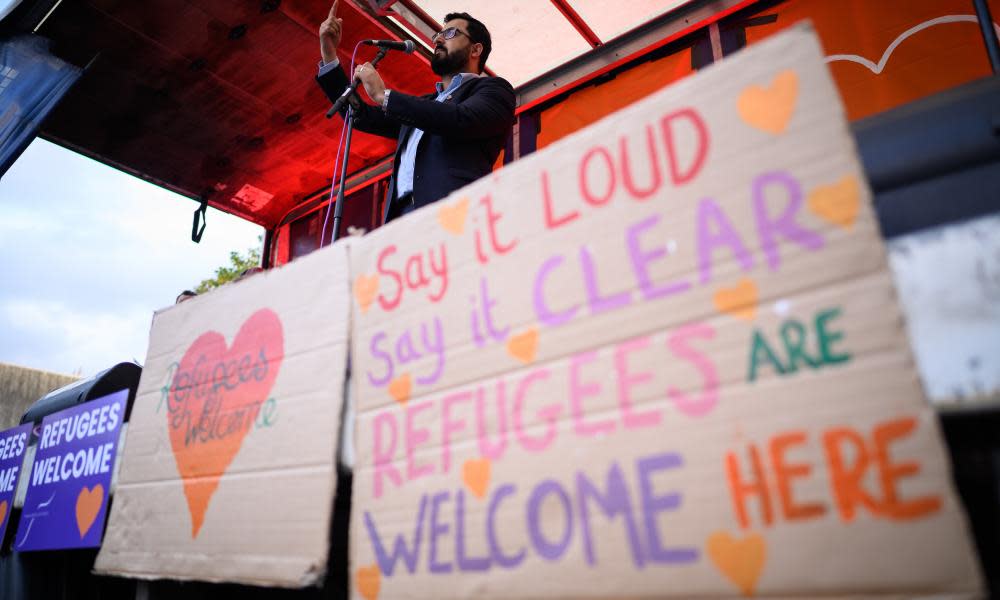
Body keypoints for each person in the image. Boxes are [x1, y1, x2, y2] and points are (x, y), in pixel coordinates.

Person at [317, 1, 516, 223]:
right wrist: (328, 53)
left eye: (449, 33)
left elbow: (462, 120)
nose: (438, 40)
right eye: (437, 35)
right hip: (401, 220)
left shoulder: (494, 90)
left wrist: (385, 96)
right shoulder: (425, 105)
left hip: (453, 214)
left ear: (476, 49)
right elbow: (360, 115)